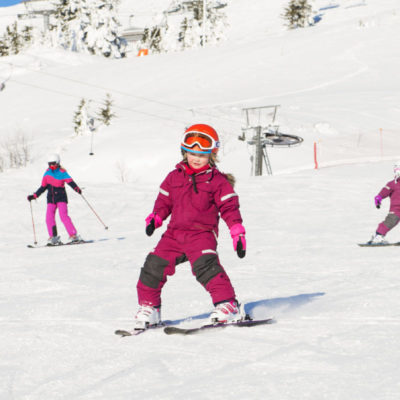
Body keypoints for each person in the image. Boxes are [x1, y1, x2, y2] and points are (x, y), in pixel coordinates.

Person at [132, 123, 247, 330]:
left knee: (206, 267)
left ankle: (228, 304)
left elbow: (229, 207)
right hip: (174, 234)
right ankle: (150, 308)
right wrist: (156, 218)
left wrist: (237, 231)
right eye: (192, 153)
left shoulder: (218, 181)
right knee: (153, 266)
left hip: (201, 234)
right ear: (184, 152)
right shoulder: (173, 177)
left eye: (202, 155)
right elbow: (164, 202)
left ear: (212, 155)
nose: (196, 158)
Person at [27, 153, 82, 245]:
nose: (51, 165)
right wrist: (34, 196)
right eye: (50, 164)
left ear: (58, 163)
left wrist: (76, 188)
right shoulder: (47, 173)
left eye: (53, 163)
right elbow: (43, 187)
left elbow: (70, 182)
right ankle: (54, 237)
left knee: (63, 216)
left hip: (61, 197)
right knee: (49, 217)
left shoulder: (62, 172)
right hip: (51, 199)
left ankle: (73, 235)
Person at [368, 161, 400, 244]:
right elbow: (384, 191)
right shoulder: (392, 184)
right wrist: (379, 198)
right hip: (396, 208)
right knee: (391, 221)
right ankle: (378, 236)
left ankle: (378, 235)